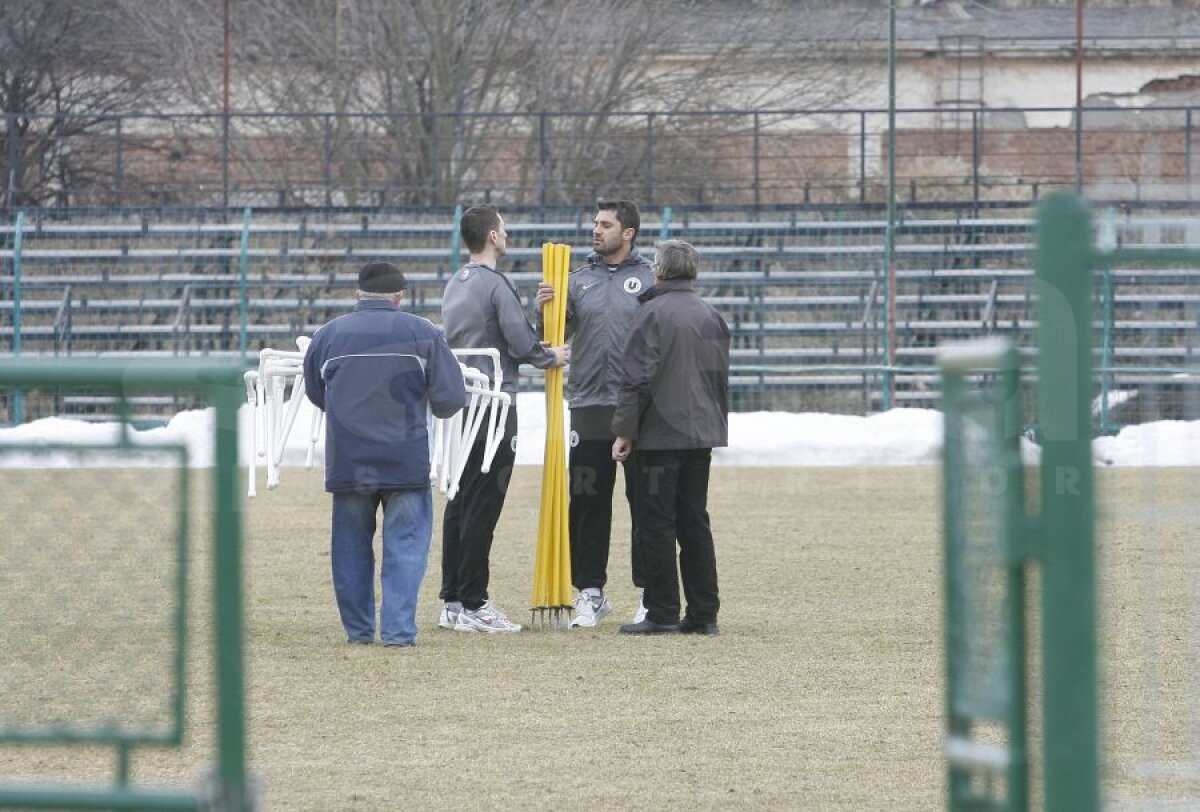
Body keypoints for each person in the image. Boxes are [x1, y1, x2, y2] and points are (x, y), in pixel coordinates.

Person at [303, 261, 467, 647]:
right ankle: (397, 632)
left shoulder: (328, 335)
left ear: (357, 294)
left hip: (349, 461)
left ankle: (359, 632)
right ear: (400, 296)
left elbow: (316, 393)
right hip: (405, 460)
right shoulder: (423, 333)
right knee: (406, 548)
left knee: (350, 549)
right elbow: (450, 400)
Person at [439, 204, 569, 634]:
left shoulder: (455, 283)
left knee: (460, 502)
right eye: (504, 230)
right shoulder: (496, 283)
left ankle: (454, 600)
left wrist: (530, 312)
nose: (507, 235)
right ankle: (476, 603)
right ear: (493, 237)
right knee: (483, 505)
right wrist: (551, 355)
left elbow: (492, 332)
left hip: (463, 403)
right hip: (495, 404)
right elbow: (518, 343)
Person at [534, 199, 656, 629]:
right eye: (594, 223)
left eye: (605, 224)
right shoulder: (574, 280)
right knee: (587, 501)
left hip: (638, 409)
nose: (595, 230)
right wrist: (544, 310)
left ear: (629, 233)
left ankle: (650, 593)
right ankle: (591, 592)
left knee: (644, 501)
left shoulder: (648, 279)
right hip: (587, 405)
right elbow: (551, 338)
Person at [611, 240, 730, 636]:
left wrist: (625, 430)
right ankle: (703, 613)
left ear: (658, 271)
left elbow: (636, 379)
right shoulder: (711, 315)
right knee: (694, 521)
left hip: (661, 435)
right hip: (700, 435)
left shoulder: (651, 314)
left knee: (656, 522)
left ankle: (661, 610)